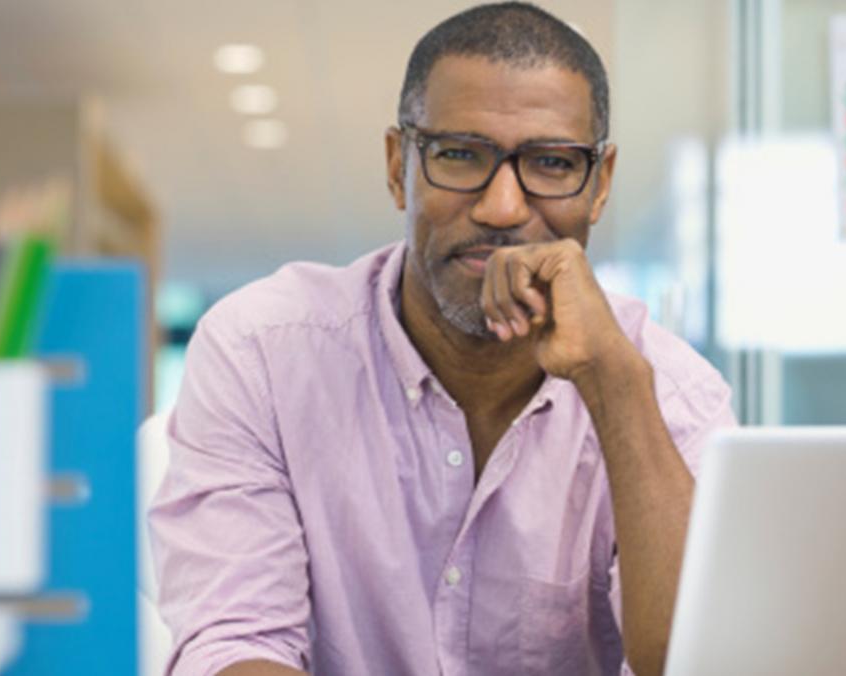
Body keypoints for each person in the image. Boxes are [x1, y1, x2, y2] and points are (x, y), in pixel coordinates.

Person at [148, 3, 736, 675]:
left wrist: (617, 387)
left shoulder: (672, 390)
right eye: (460, 155)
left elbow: (698, 660)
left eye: (550, 163)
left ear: (599, 185)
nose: (503, 209)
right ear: (400, 166)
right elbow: (236, 645)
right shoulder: (264, 354)